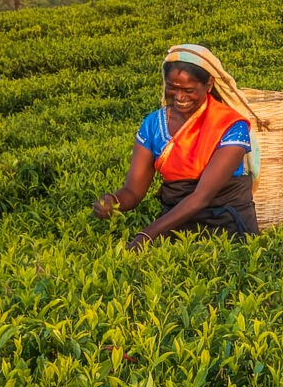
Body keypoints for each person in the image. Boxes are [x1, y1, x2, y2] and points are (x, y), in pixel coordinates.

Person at [93, 44, 261, 246]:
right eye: (172, 88)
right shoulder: (153, 124)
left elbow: (201, 197)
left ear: (208, 85)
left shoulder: (230, 126)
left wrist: (146, 235)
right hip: (175, 225)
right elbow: (134, 191)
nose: (179, 97)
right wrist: (113, 201)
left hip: (227, 226)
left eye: (189, 90)